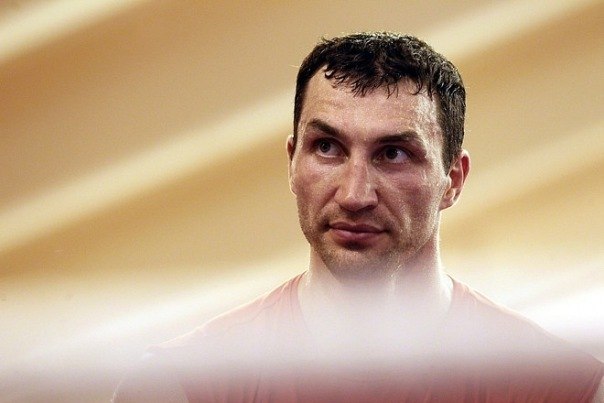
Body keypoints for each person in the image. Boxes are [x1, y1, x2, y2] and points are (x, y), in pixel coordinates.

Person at [114, 32, 604, 402]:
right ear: (292, 161)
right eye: (327, 147)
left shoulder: (564, 387)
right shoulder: (180, 384)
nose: (354, 195)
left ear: (453, 180)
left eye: (393, 153)